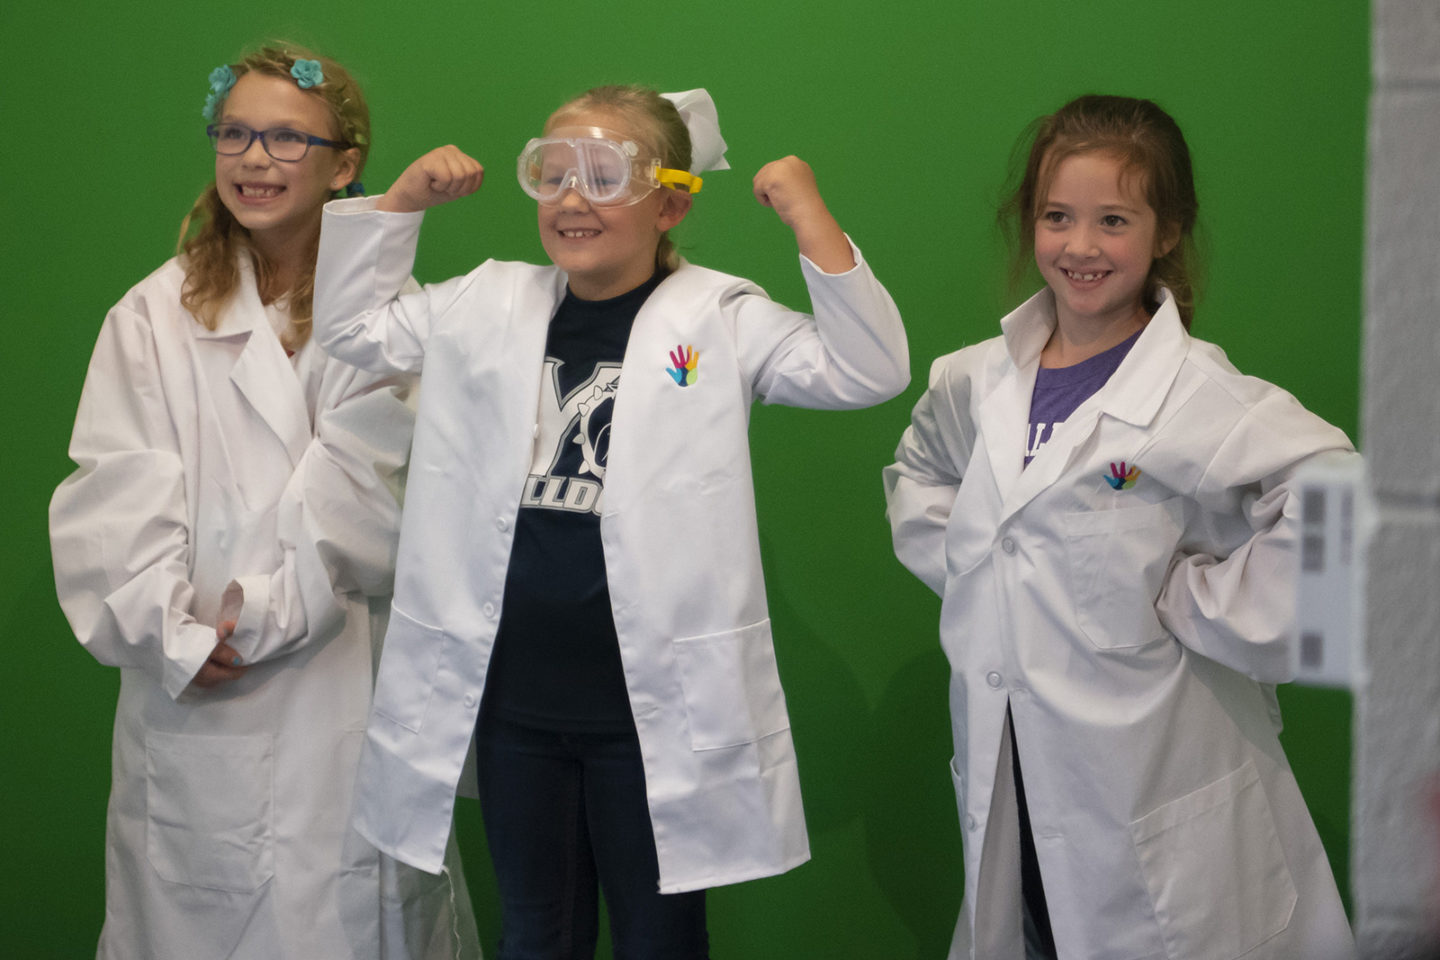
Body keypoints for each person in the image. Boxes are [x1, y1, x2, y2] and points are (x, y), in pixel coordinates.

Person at [311, 85, 909, 958]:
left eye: (604, 177)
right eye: (551, 174)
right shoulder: (484, 301)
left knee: (659, 936)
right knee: (536, 932)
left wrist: (807, 214)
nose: (571, 199)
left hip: (650, 707)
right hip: (515, 696)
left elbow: (869, 369)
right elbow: (351, 327)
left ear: (671, 204)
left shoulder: (719, 317)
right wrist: (402, 201)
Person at [884, 94, 1357, 960]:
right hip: (1017, 780)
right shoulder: (973, 380)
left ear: (1166, 231)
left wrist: (1206, 605)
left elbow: (1344, 504)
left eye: (1113, 220)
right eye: (1056, 217)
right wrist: (992, 582)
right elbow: (920, 475)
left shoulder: (1194, 393)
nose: (1080, 246)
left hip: (1155, 786)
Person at [49, 44, 479, 960]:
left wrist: (263, 615)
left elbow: (374, 492)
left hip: (341, 671)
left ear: (344, 164)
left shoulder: (393, 318)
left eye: (286, 139)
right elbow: (112, 489)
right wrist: (170, 631)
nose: (253, 159)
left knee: (354, 915)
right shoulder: (153, 315)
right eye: (234, 134)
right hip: (197, 688)